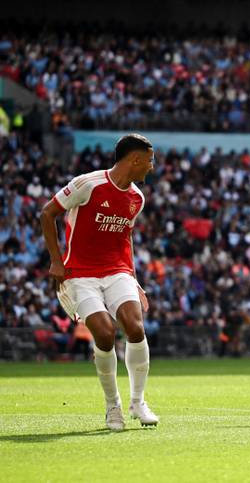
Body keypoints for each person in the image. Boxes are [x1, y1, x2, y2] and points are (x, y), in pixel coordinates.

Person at [40, 133, 158, 431]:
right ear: (135, 159)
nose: (152, 166)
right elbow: (48, 213)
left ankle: (138, 401)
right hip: (80, 273)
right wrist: (56, 260)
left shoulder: (137, 198)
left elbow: (124, 238)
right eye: (150, 159)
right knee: (105, 334)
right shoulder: (88, 184)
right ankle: (112, 407)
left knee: (135, 326)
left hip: (118, 270)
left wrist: (133, 278)